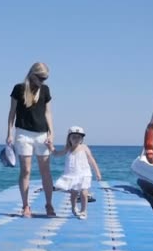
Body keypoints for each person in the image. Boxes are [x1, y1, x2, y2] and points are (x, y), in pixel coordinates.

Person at [7, 62, 56, 218]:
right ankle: (25, 206)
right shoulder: (18, 89)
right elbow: (12, 113)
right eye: (41, 78)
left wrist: (51, 133)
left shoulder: (45, 90)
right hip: (23, 133)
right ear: (33, 75)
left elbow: (48, 113)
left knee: (45, 171)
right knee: (26, 170)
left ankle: (49, 204)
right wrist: (9, 133)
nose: (43, 81)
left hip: (42, 134)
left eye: (45, 78)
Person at [52, 126, 102, 220]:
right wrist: (50, 147)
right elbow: (56, 154)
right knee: (74, 194)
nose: (76, 139)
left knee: (84, 192)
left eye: (79, 137)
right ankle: (74, 207)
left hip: (84, 174)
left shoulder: (84, 147)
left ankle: (83, 211)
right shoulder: (67, 149)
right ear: (69, 138)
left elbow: (91, 160)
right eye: (73, 137)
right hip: (72, 175)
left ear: (82, 139)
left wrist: (97, 172)